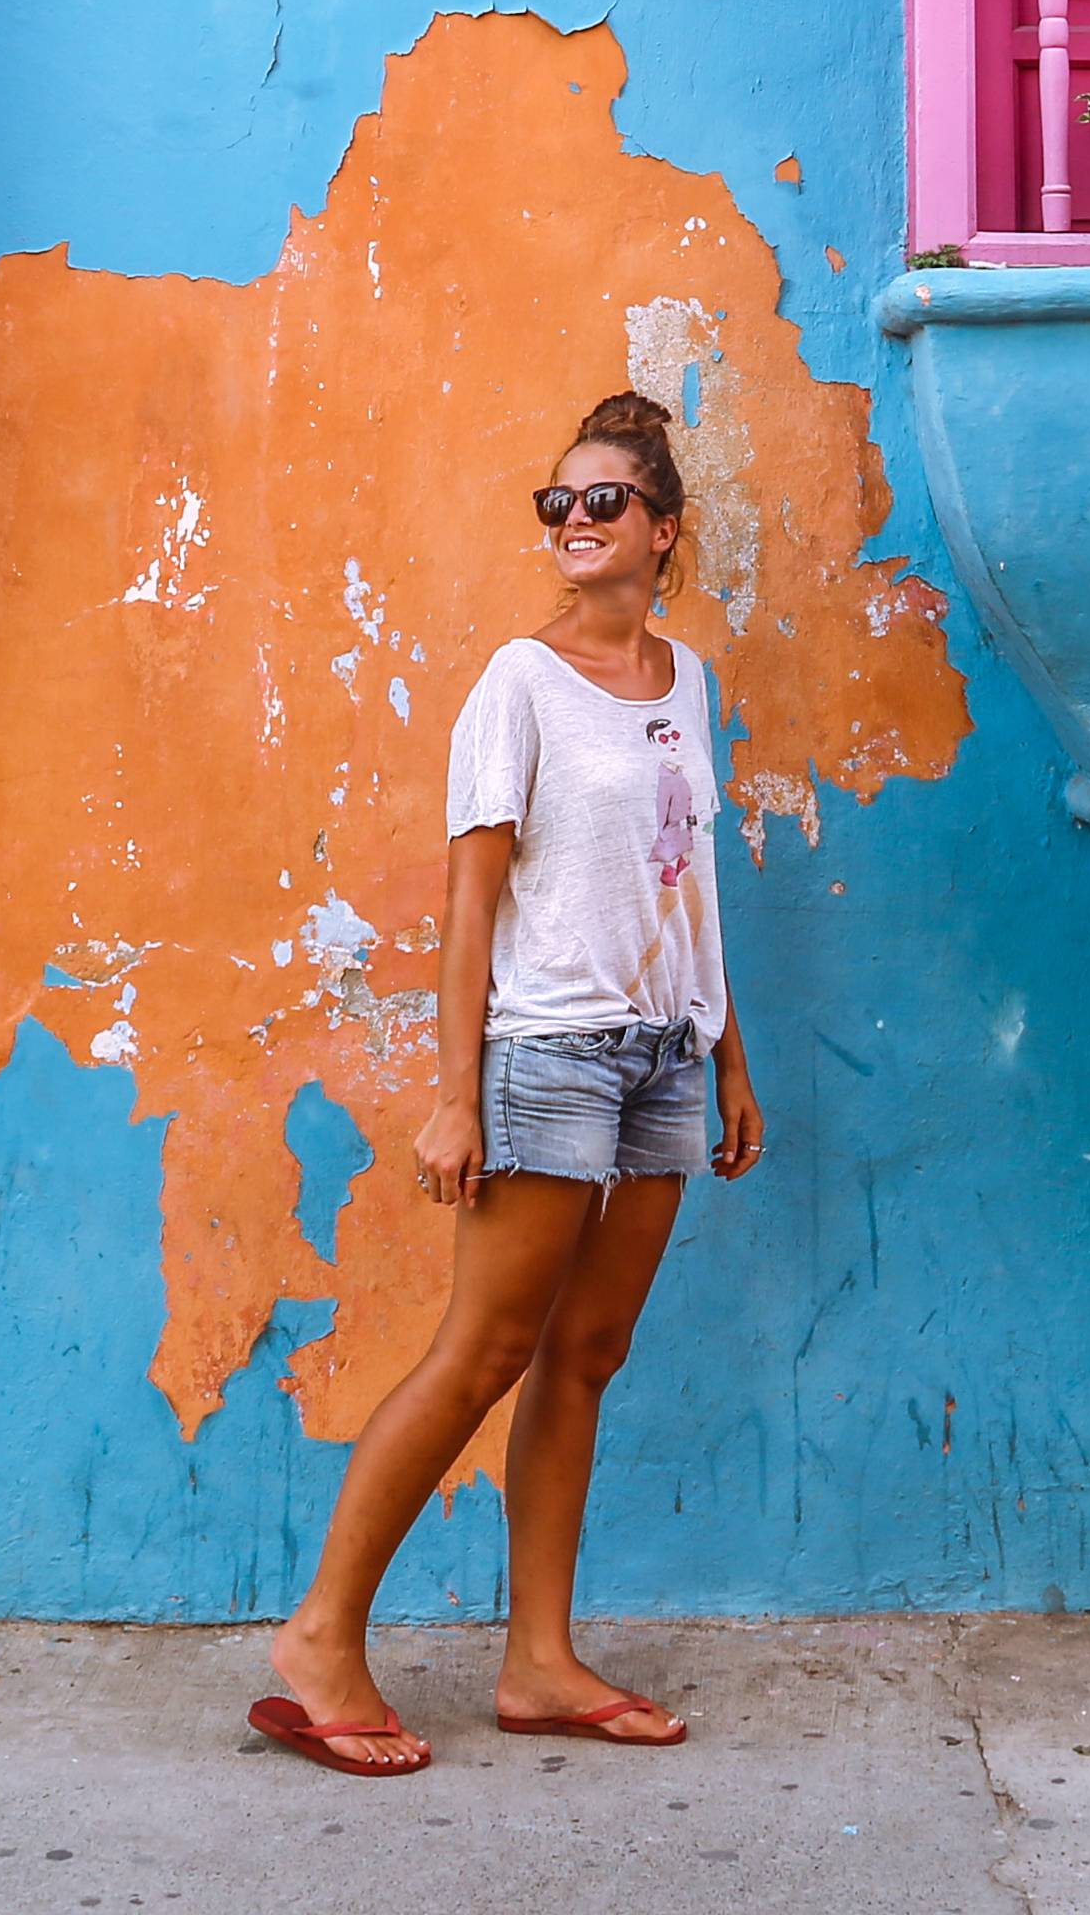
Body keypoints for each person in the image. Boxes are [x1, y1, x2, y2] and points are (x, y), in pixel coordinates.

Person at [254, 391, 765, 1776]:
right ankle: (321, 1637)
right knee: (484, 1352)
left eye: (605, 501)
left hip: (665, 1051)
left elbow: (688, 882)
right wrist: (454, 1092)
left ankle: (539, 1662)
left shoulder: (688, 682)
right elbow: (470, 905)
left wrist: (729, 1055)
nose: (576, 522)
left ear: (665, 530)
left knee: (588, 1354)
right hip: (550, 1053)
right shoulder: (518, 685)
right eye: (559, 503)